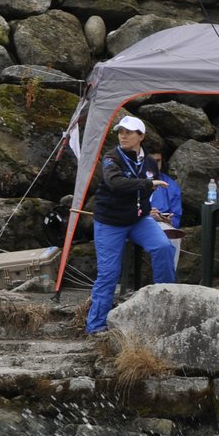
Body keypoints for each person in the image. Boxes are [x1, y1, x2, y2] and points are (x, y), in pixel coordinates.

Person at [85, 115, 177, 335]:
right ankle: (96, 326)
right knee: (109, 273)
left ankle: (171, 305)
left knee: (164, 247)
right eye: (120, 132)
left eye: (129, 132)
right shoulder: (111, 157)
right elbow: (115, 183)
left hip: (138, 220)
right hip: (110, 222)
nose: (123, 136)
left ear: (141, 136)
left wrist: (151, 210)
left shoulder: (149, 163)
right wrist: (146, 184)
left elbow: (148, 191)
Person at [147, 149, 184, 267]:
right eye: (151, 161)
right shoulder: (132, 180)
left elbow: (176, 217)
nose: (155, 165)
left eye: (158, 161)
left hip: (161, 225)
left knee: (173, 235)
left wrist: (169, 221)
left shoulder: (170, 185)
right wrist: (146, 214)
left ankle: (168, 282)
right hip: (136, 223)